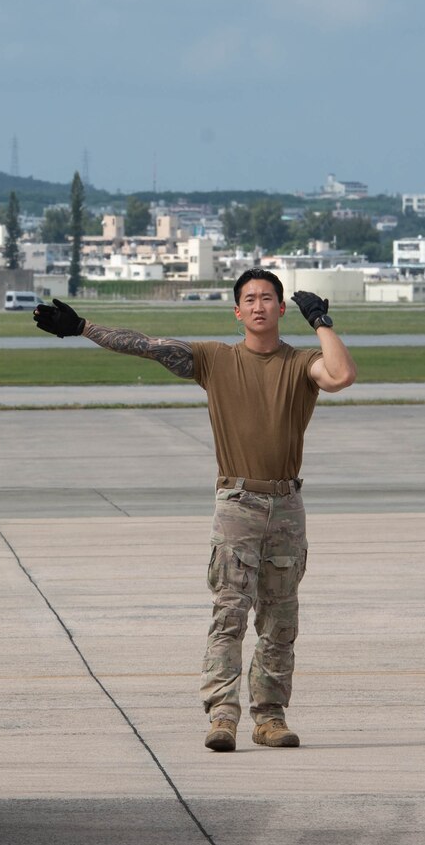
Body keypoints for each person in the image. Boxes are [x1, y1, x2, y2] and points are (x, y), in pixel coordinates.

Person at [34, 271, 357, 752]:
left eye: (268, 298)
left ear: (282, 308)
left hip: (287, 505)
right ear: (237, 311)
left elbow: (341, 376)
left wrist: (322, 322)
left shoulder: (302, 361)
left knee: (280, 619)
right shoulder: (215, 359)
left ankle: (270, 718)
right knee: (229, 613)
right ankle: (222, 717)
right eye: (249, 299)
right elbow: (146, 345)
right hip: (238, 503)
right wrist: (82, 326)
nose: (259, 306)